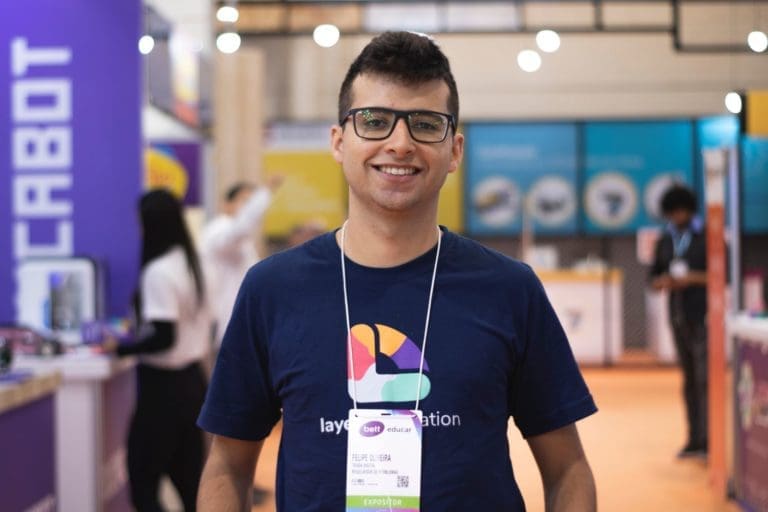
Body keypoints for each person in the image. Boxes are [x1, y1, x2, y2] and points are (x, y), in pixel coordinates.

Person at [197, 31, 597, 511]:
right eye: (375, 121)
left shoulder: (509, 289)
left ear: (454, 150)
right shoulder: (272, 289)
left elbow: (567, 468)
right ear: (339, 142)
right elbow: (227, 465)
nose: (400, 143)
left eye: (426, 124)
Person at [108, 189, 210, 511]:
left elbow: (164, 336)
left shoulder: (158, 271)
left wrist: (120, 349)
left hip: (163, 388)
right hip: (193, 382)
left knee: (143, 476)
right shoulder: (191, 262)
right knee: (188, 478)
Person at [650, 184, 708, 458]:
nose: (676, 216)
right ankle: (694, 438)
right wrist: (664, 282)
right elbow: (653, 278)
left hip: (704, 316)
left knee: (704, 379)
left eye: (680, 211)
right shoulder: (665, 240)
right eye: (672, 213)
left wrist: (692, 279)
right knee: (688, 380)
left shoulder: (707, 237)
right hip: (677, 317)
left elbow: (723, 276)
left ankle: (710, 440)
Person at [199, 176, 282, 348]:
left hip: (241, 318)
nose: (249, 207)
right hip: (225, 319)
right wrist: (263, 194)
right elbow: (241, 226)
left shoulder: (240, 238)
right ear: (226, 204)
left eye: (251, 202)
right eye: (245, 201)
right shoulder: (219, 229)